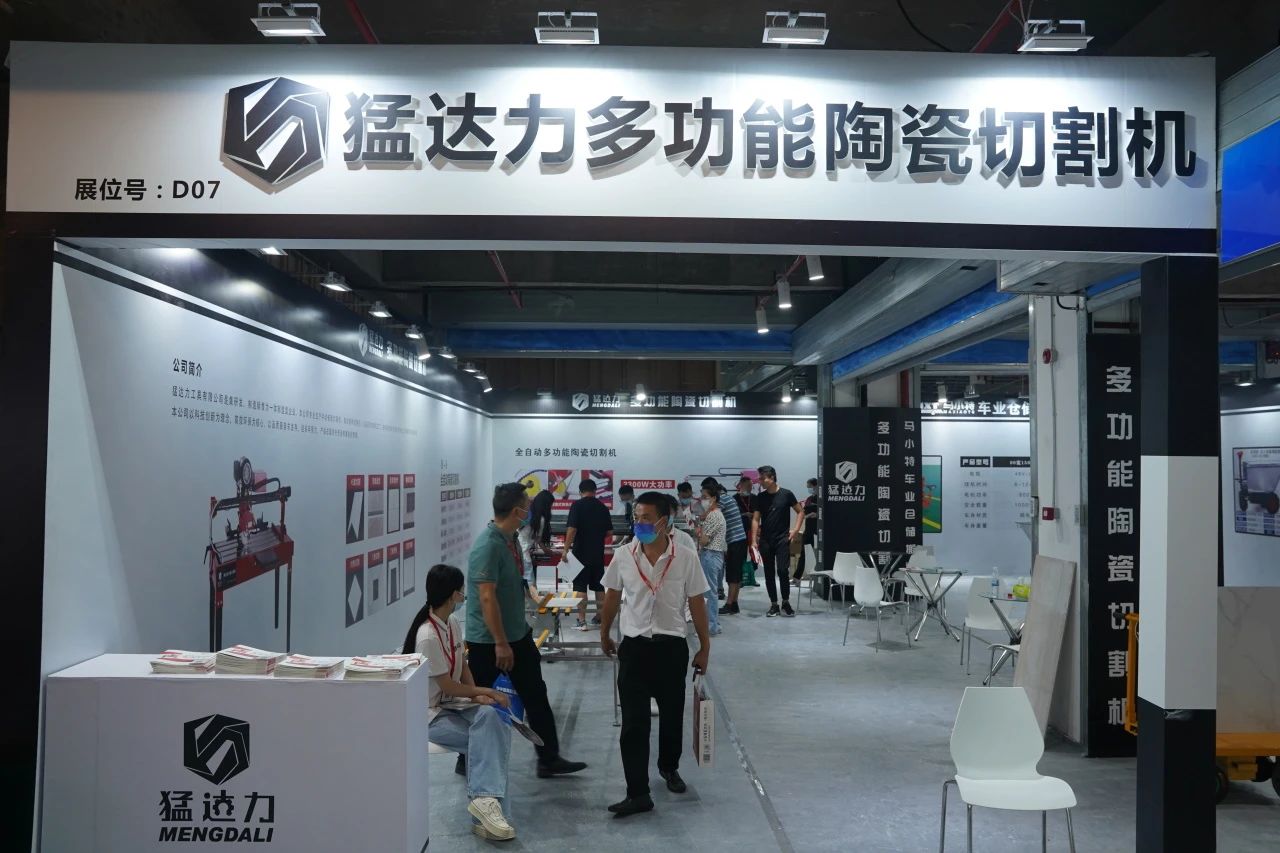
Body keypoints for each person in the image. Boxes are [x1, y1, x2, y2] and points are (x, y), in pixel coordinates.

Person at [598, 491, 712, 818]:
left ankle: (668, 766)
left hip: (671, 648)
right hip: (634, 648)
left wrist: (705, 647)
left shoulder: (685, 557)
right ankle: (637, 792)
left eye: (646, 518)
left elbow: (697, 603)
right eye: (637, 517)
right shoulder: (623, 555)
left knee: (672, 715)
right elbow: (612, 596)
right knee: (633, 723)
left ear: (664, 521)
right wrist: (605, 633)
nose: (640, 523)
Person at [467, 482, 587, 779]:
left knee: (535, 695)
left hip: (517, 634)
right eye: (526, 505)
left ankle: (548, 758)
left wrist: (531, 594)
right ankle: (467, 757)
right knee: (483, 701)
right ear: (516, 510)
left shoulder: (510, 540)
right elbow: (486, 598)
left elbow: (515, 582)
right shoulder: (488, 545)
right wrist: (500, 643)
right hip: (489, 641)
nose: (530, 510)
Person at [404, 564, 516, 841]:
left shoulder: (451, 622)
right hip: (430, 715)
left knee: (491, 717)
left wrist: (477, 696)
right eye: (463, 590)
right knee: (490, 739)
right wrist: (487, 691)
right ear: (454, 594)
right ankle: (487, 806)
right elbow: (448, 686)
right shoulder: (427, 636)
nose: (465, 595)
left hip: (454, 705)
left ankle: (485, 807)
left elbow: (462, 665)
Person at [751, 465, 805, 617]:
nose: (760, 481)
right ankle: (774, 604)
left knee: (782, 571)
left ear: (772, 478)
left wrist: (795, 530)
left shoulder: (786, 494)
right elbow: (755, 519)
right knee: (769, 573)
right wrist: (753, 539)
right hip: (765, 540)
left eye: (763, 478)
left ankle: (786, 602)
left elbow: (800, 512)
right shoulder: (760, 497)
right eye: (759, 478)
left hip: (782, 539)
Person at [561, 479, 614, 631]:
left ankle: (581, 621)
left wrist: (565, 549)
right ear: (595, 491)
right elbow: (609, 532)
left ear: (580, 492)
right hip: (597, 553)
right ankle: (600, 618)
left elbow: (572, 529)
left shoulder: (577, 505)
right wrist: (596, 536)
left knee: (580, 587)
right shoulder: (602, 507)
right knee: (599, 586)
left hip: (580, 554)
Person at [705, 477, 747, 615]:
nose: (705, 499)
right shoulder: (727, 497)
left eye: (705, 495)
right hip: (739, 540)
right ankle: (734, 604)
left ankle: (729, 604)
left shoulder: (721, 500)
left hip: (735, 540)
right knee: (736, 574)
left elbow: (708, 515)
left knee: (732, 574)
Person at [696, 485, 726, 636]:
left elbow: (704, 540)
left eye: (705, 497)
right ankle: (714, 624)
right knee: (711, 591)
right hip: (714, 555)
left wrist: (698, 533)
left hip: (710, 555)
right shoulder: (715, 514)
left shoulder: (713, 516)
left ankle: (711, 626)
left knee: (709, 593)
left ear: (714, 498)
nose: (702, 500)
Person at [795, 477, 819, 581]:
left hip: (818, 531)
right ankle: (797, 577)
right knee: (803, 553)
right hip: (808, 530)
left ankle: (819, 576)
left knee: (818, 554)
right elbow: (803, 513)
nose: (809, 489)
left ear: (816, 486)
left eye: (810, 486)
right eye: (807, 487)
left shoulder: (822, 498)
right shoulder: (809, 499)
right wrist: (804, 513)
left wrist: (817, 515)